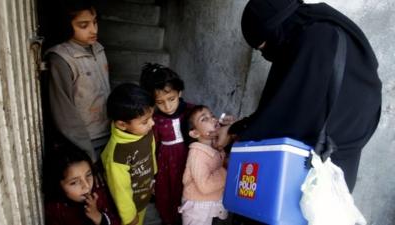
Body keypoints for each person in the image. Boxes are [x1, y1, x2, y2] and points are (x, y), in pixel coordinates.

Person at [217, 0, 382, 194]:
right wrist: (241, 126)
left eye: (262, 46)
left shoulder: (315, 42)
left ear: (274, 28)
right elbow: (294, 105)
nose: (265, 54)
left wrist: (238, 137)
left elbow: (284, 120)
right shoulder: (333, 33)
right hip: (338, 176)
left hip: (308, 180)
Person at [46, 0, 110, 162]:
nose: (93, 30)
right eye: (83, 25)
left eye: (95, 22)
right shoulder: (61, 59)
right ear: (66, 25)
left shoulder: (98, 48)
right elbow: (64, 114)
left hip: (108, 133)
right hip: (84, 142)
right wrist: (86, 153)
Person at [140, 63, 194, 225]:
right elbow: (152, 146)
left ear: (179, 93)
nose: (168, 106)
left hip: (188, 160)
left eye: (171, 99)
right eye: (160, 102)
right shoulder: (155, 120)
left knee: (185, 190)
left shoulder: (191, 111)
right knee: (167, 193)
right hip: (166, 165)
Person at [101, 83, 157, 225]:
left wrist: (153, 177)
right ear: (122, 125)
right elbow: (120, 189)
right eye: (145, 122)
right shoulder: (118, 154)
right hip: (128, 209)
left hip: (143, 195)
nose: (152, 123)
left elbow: (150, 154)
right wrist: (129, 217)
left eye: (151, 116)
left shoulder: (144, 132)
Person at [43, 144, 121, 225]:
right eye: (74, 182)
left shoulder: (99, 194)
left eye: (88, 175)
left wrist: (99, 218)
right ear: (58, 185)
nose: (86, 186)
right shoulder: (55, 210)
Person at [179, 105, 228, 225]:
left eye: (212, 116)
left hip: (212, 203)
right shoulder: (197, 154)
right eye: (204, 119)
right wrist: (227, 171)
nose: (212, 119)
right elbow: (205, 186)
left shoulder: (216, 146)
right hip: (198, 209)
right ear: (195, 133)